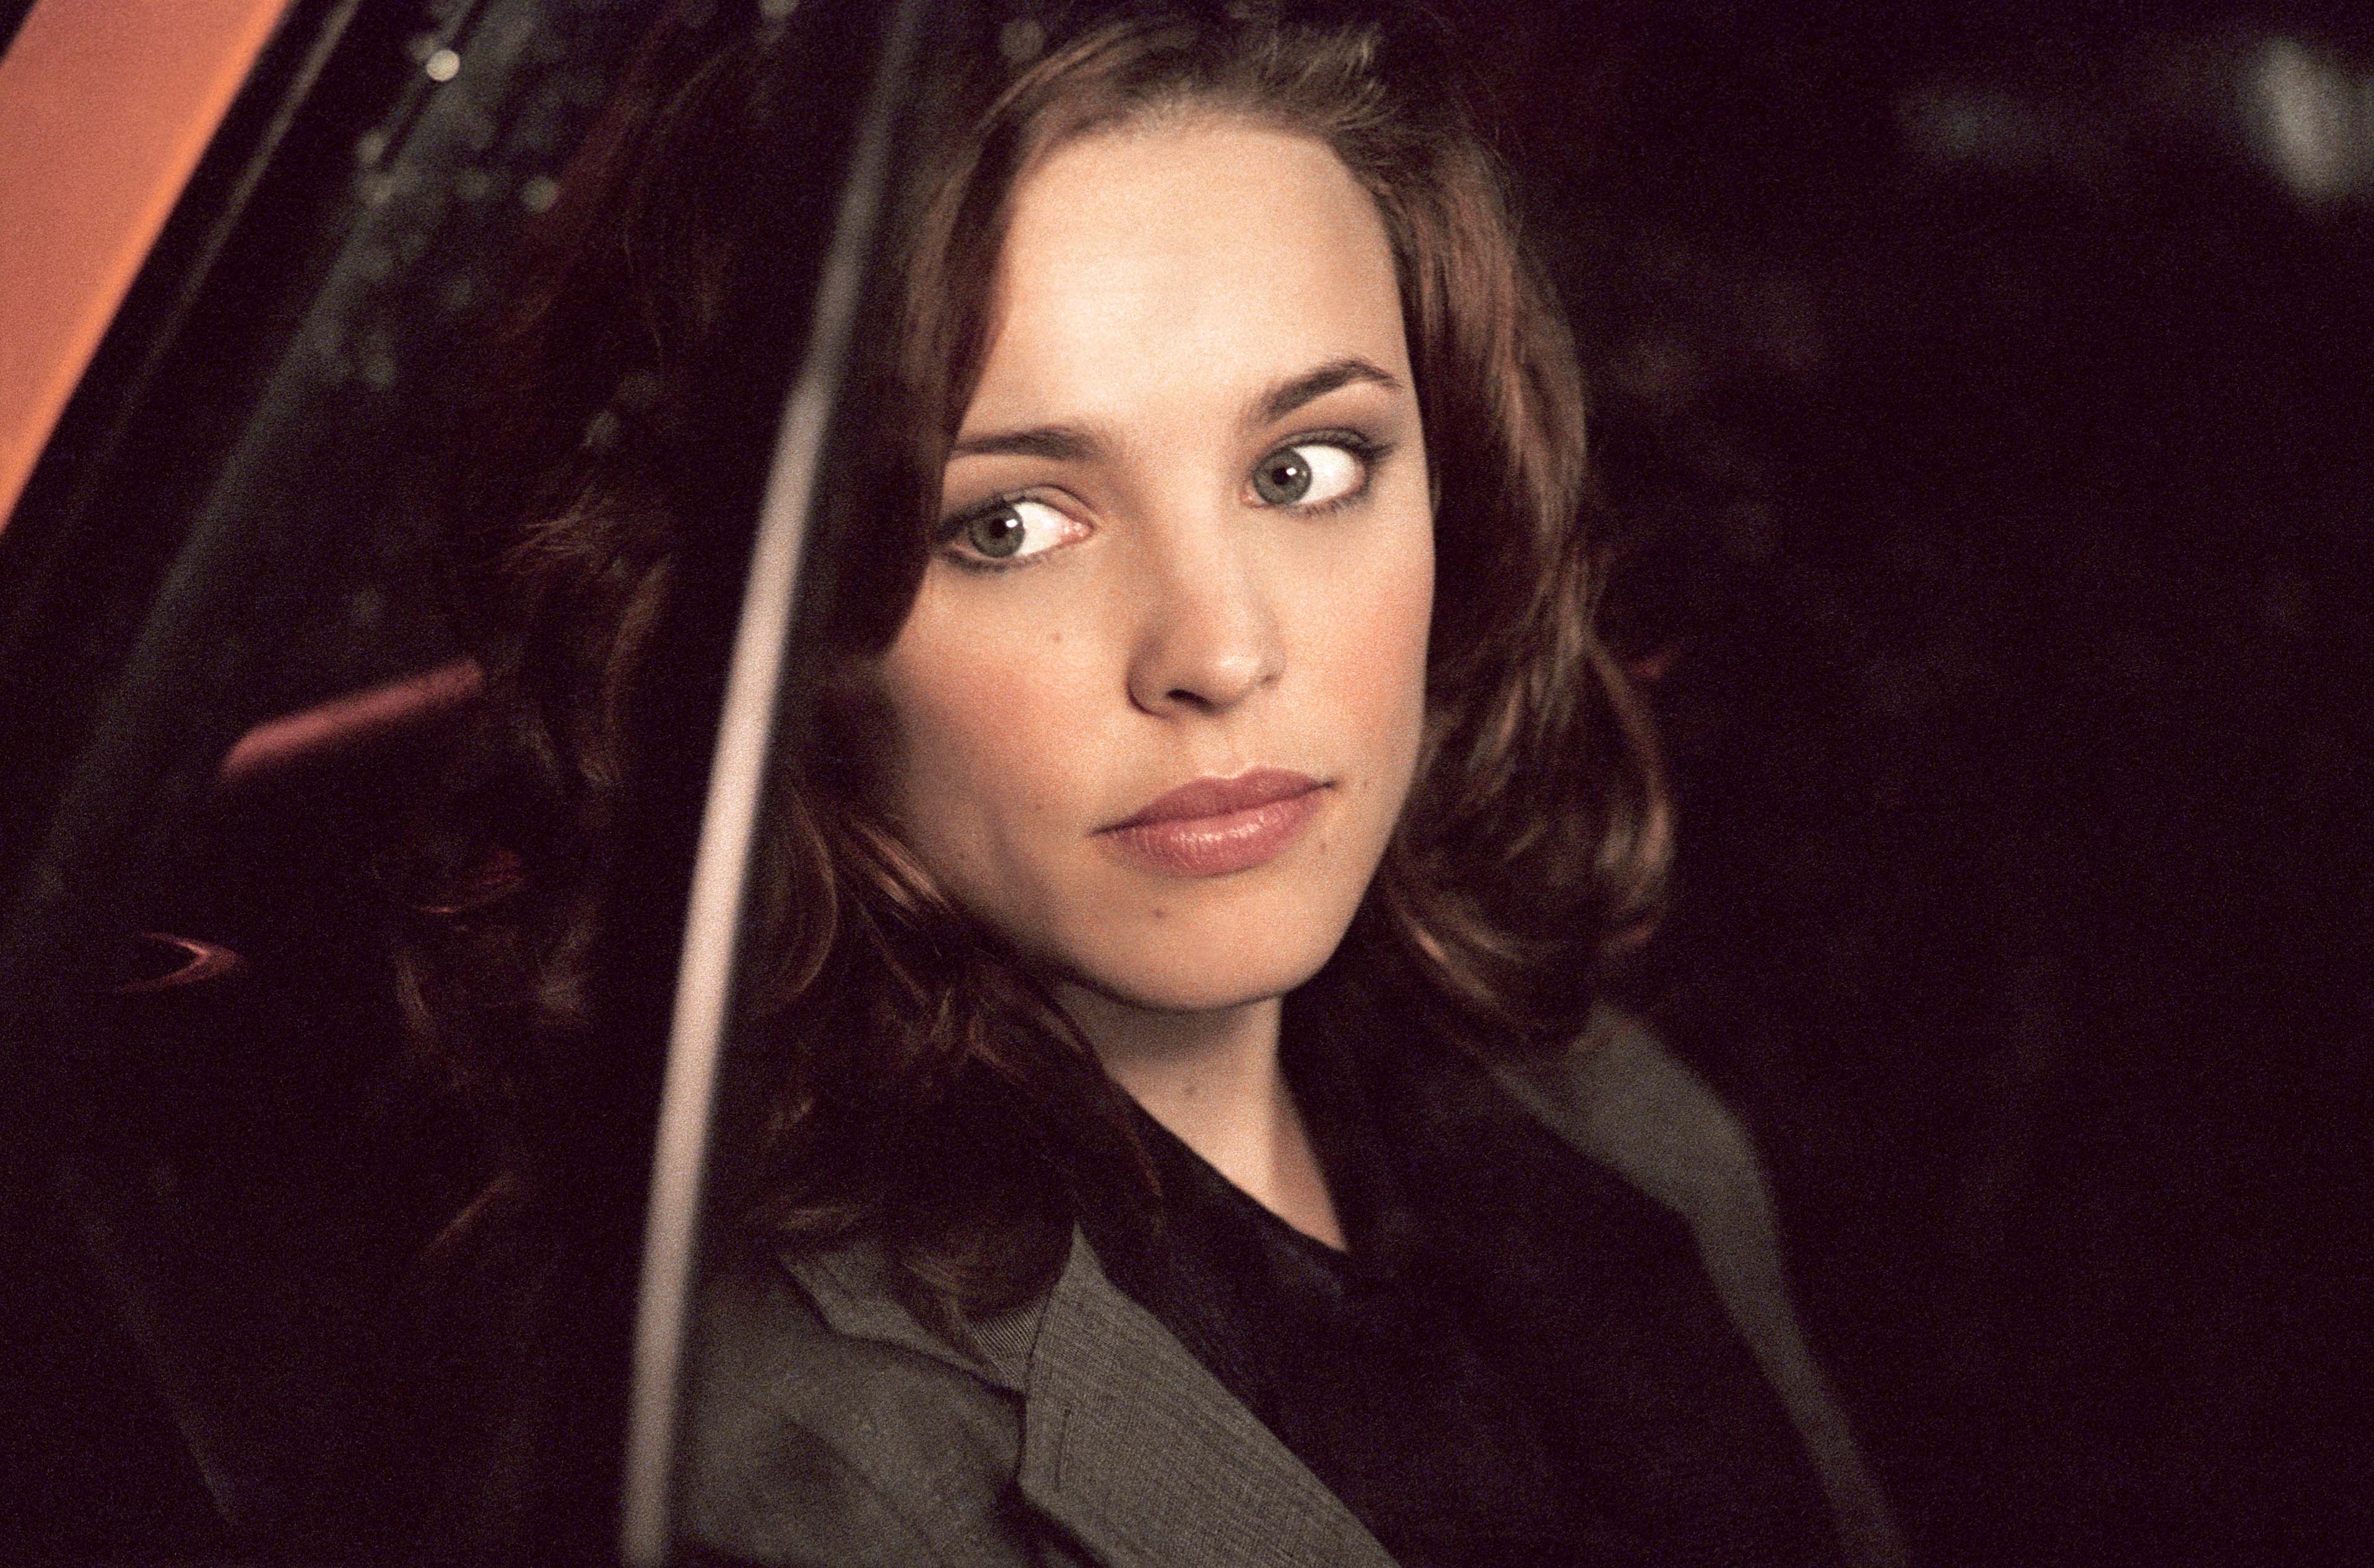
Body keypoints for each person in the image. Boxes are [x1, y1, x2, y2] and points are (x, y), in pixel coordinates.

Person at [406, 4, 1904, 1564]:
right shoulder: (765, 1464)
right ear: (755, 622)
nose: (1220, 652)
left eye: (1303, 470)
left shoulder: (1605, 1109)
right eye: (1006, 525)